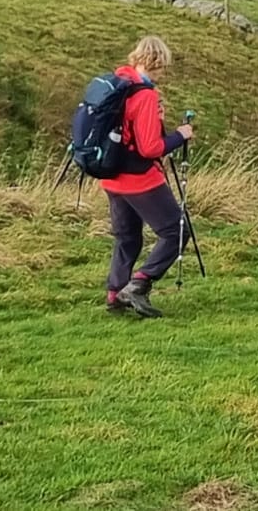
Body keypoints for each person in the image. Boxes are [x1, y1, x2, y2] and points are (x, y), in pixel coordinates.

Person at [102, 35, 194, 319]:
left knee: (127, 237)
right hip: (139, 179)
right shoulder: (144, 95)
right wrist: (180, 136)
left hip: (111, 176)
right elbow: (150, 147)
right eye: (163, 66)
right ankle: (139, 284)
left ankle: (115, 294)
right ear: (158, 62)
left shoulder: (117, 85)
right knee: (176, 231)